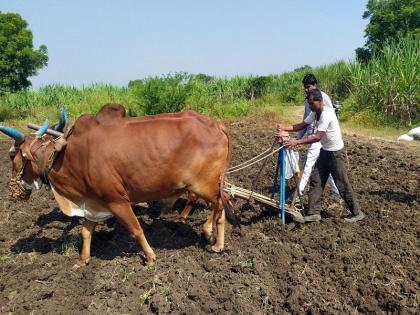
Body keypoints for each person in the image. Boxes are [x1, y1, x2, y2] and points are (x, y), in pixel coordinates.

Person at [278, 89, 365, 223]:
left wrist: (297, 141)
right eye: (309, 104)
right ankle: (313, 213)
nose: (311, 107)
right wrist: (284, 128)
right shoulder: (315, 113)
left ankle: (357, 213)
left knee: (342, 184)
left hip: (336, 153)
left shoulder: (326, 114)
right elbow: (302, 125)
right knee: (316, 180)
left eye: (312, 104)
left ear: (320, 101)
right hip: (325, 152)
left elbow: (317, 137)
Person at [297, 74, 339, 197]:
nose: (306, 89)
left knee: (308, 163)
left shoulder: (323, 97)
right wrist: (299, 137)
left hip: (320, 136)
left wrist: (322, 132)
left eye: (308, 86)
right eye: (305, 87)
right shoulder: (307, 100)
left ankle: (299, 192)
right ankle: (336, 190)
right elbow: (305, 120)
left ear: (314, 85)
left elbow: (331, 116)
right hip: (312, 135)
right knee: (324, 165)